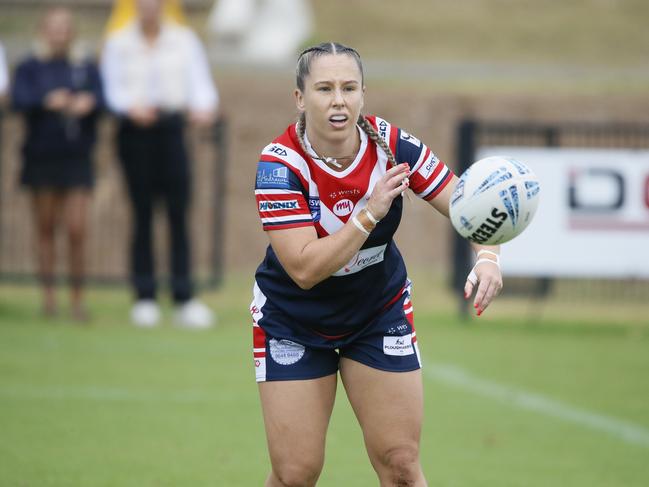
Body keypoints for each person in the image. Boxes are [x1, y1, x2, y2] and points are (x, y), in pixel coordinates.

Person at [250, 42, 503, 486]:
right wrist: (368, 213)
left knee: (402, 464)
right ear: (299, 98)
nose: (338, 100)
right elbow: (306, 270)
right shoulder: (279, 164)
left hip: (376, 312)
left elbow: (470, 204)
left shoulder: (391, 144)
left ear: (363, 93)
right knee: (295, 474)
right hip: (293, 318)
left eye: (349, 88)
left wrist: (487, 256)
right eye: (324, 88)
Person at [101, 0, 218, 329]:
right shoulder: (118, 41)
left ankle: (184, 296)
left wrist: (203, 108)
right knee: (142, 212)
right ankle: (145, 296)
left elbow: (200, 84)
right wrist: (129, 108)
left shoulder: (183, 39)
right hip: (134, 132)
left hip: (171, 129)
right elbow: (111, 88)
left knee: (178, 212)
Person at [11, 8, 104, 321]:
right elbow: (19, 100)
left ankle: (77, 300)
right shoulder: (30, 67)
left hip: (76, 158)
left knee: (77, 229)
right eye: (53, 28)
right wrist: (47, 101)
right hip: (41, 156)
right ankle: (49, 299)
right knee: (46, 227)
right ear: (43, 31)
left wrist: (87, 104)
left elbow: (103, 99)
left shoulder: (83, 67)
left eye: (65, 28)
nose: (59, 34)